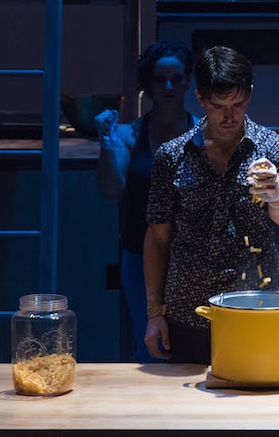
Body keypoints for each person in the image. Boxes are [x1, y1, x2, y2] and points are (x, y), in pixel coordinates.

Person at [143, 45, 279, 363]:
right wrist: (154, 312)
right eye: (218, 106)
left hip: (255, 311)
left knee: (255, 404)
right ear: (200, 98)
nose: (229, 116)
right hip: (187, 313)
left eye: (238, 104)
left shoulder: (274, 150)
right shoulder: (172, 156)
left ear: (250, 95)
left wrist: (276, 195)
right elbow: (158, 239)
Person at [95, 39, 199, 362]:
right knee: (151, 348)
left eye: (176, 79)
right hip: (139, 257)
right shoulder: (129, 135)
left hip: (193, 260)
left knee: (196, 347)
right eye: (159, 79)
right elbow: (111, 190)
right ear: (147, 85)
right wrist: (107, 141)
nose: (168, 87)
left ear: (187, 82)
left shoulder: (203, 134)